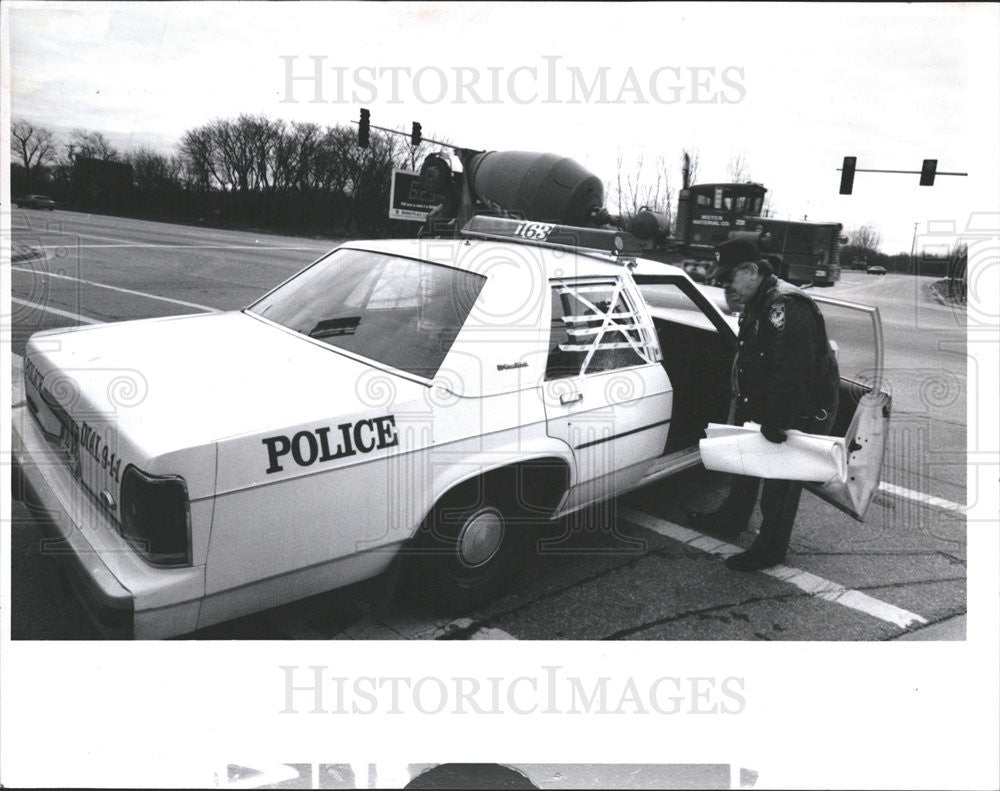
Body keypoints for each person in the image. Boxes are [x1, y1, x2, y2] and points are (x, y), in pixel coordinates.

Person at [689, 238, 840, 571]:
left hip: (797, 407)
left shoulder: (783, 305)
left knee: (780, 484)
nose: (725, 285)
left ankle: (771, 548)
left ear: (752, 270)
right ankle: (732, 519)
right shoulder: (761, 298)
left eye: (729, 278)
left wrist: (778, 421)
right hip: (767, 399)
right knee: (746, 466)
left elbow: (793, 373)